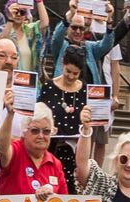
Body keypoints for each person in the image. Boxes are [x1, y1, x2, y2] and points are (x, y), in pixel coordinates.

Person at [37, 52, 90, 187]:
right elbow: (40, 114)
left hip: (75, 153)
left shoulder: (85, 90)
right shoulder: (49, 86)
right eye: (68, 71)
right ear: (63, 64)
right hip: (50, 150)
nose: (71, 76)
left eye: (75, 73)